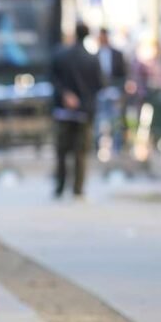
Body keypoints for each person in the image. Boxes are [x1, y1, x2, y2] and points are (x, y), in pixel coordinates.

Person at [51, 22, 103, 197]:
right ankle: (78, 189)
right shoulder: (92, 58)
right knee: (81, 153)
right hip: (84, 112)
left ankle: (59, 186)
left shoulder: (61, 55)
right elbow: (100, 84)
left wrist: (65, 95)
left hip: (62, 111)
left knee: (62, 152)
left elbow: (53, 79)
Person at [96, 27, 129, 153]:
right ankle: (98, 146)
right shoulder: (96, 55)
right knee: (99, 120)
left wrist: (121, 90)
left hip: (115, 91)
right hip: (101, 92)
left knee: (116, 120)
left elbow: (123, 73)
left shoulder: (117, 54)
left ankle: (117, 147)